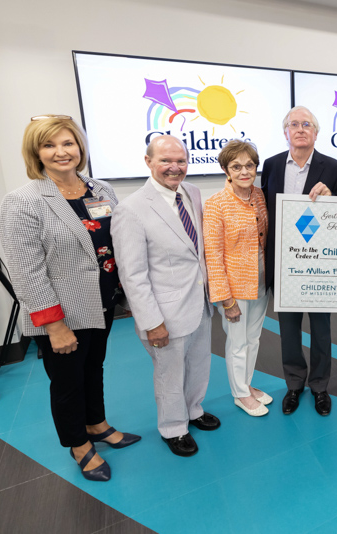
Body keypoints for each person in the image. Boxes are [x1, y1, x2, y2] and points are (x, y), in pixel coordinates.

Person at [0, 115, 140, 482]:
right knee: (67, 381)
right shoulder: (23, 201)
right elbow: (25, 270)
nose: (61, 152)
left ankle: (97, 424)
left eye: (68, 143)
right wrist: (54, 324)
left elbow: (117, 243)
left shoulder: (102, 190)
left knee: (94, 368)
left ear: (80, 147)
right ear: (36, 153)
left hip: (104, 300)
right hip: (61, 312)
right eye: (49, 145)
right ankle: (78, 444)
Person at [111, 135, 220, 458]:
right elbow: (132, 275)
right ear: (148, 162)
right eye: (165, 161)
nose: (174, 168)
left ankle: (194, 409)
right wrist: (151, 322)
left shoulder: (193, 193)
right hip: (164, 313)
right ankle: (173, 427)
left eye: (181, 161)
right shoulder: (131, 210)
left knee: (199, 363)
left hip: (199, 302)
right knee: (170, 372)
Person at [261, 106, 337, 416]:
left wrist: (333, 200)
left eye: (307, 124)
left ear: (316, 132)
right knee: (289, 330)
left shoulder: (335, 170)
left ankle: (320, 386)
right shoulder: (271, 166)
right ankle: (294, 384)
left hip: (320, 264)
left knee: (322, 329)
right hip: (284, 264)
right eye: (294, 124)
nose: (300, 129)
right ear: (286, 132)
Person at [203, 140, 272, 417]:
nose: (244, 171)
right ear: (225, 170)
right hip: (235, 287)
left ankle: (246, 383)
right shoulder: (216, 204)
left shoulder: (259, 196)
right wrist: (225, 298)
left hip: (261, 282)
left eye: (249, 165)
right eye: (236, 166)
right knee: (237, 342)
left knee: (253, 339)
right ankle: (240, 394)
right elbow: (213, 256)